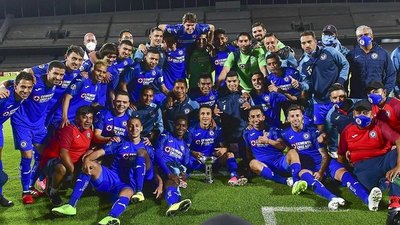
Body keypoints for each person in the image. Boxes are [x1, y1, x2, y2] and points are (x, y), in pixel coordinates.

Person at [52, 117, 155, 224]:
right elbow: (101, 152)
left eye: (137, 126)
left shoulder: (147, 147)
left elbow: (151, 169)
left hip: (127, 184)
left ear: (142, 128)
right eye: (131, 126)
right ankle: (71, 206)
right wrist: (87, 159)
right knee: (90, 165)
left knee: (127, 192)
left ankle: (112, 217)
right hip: (111, 177)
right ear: (126, 128)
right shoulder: (119, 141)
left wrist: (160, 183)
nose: (134, 128)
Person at [281, 104, 381, 210]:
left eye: (297, 115)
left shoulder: (312, 132)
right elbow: (287, 150)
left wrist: (320, 172)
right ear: (287, 118)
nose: (295, 118)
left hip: (325, 163)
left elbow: (325, 155)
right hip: (307, 167)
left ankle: (368, 199)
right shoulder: (284, 134)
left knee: (344, 174)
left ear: (302, 117)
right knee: (303, 174)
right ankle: (333, 198)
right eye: (292, 116)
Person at [11, 61, 66, 204]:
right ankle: (25, 192)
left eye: (61, 75)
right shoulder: (35, 82)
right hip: (22, 123)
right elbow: (15, 82)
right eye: (55, 73)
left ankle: (35, 183)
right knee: (27, 155)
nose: (58, 77)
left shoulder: (55, 84)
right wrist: (2, 85)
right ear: (48, 72)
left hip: (39, 126)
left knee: (45, 155)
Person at [338, 100, 400, 216]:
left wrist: (398, 166)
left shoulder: (379, 125)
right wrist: (345, 173)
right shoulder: (347, 131)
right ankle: (384, 182)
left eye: (365, 113)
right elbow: (341, 155)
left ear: (372, 114)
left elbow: (398, 140)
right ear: (353, 114)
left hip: (383, 160)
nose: (361, 116)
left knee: (396, 154)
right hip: (363, 167)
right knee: (369, 188)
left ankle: (395, 201)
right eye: (358, 112)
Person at [244, 106, 307, 194]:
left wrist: (268, 141)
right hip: (264, 166)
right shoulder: (246, 133)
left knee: (292, 152)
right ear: (249, 119)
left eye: (258, 116)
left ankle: (296, 181)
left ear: (263, 117)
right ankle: (286, 181)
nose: (256, 119)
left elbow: (282, 146)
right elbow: (248, 151)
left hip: (280, 162)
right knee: (252, 163)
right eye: (253, 117)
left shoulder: (273, 129)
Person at [40, 106, 94, 206]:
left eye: (90, 118)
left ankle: (73, 184)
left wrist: (89, 153)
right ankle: (52, 190)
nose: (88, 121)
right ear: (77, 119)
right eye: (85, 117)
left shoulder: (89, 132)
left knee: (94, 163)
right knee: (61, 168)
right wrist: (72, 172)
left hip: (76, 164)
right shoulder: (69, 129)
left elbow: (91, 146)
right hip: (56, 161)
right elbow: (63, 153)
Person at [298, 30, 349, 132]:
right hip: (319, 101)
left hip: (336, 99)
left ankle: (338, 148)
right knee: (321, 132)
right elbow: (308, 83)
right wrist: (301, 85)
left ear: (315, 42)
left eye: (309, 41)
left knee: (339, 130)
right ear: (301, 45)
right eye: (304, 43)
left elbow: (345, 64)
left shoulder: (330, 51)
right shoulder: (303, 64)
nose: (307, 45)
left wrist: (340, 82)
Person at [188, 105, 247, 186]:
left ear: (212, 115)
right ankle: (181, 178)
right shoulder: (192, 130)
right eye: (202, 114)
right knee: (186, 160)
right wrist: (193, 153)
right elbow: (185, 149)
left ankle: (234, 177)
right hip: (198, 161)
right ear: (199, 116)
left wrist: (224, 149)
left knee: (230, 154)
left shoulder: (217, 129)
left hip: (213, 160)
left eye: (208, 114)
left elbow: (224, 146)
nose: (205, 116)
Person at [0, 72, 34, 207]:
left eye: (29, 88)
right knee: (2, 176)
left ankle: (0, 196)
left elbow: (9, 81)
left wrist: (3, 84)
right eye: (23, 87)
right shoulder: (4, 98)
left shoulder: (17, 92)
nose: (26, 91)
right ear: (15, 86)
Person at [51, 60, 106, 129]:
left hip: (77, 121)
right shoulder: (82, 79)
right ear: (92, 69)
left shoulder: (98, 86)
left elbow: (93, 104)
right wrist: (64, 118)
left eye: (104, 72)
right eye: (98, 71)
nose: (101, 74)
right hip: (64, 119)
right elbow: (66, 97)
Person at [155, 115, 192, 216]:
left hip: (173, 172)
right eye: (178, 125)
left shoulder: (185, 148)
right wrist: (168, 173)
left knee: (173, 180)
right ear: (174, 125)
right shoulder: (165, 136)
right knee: (171, 178)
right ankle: (174, 202)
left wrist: (185, 175)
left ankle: (173, 204)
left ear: (187, 127)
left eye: (184, 126)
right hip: (159, 167)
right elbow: (157, 156)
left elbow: (186, 166)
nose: (181, 128)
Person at [346, 25, 396, 99]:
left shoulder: (382, 53)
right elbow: (345, 75)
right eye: (360, 36)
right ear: (357, 39)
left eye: (366, 34)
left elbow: (391, 73)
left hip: (377, 96)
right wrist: (345, 93)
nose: (363, 37)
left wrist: (386, 91)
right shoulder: (351, 55)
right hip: (357, 96)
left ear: (371, 36)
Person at [215, 72, 251, 161]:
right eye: (229, 81)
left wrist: (250, 107)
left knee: (246, 160)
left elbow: (254, 113)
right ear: (226, 82)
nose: (232, 84)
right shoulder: (220, 96)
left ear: (238, 81)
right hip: (227, 136)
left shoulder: (245, 96)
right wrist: (214, 111)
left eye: (234, 81)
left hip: (243, 135)